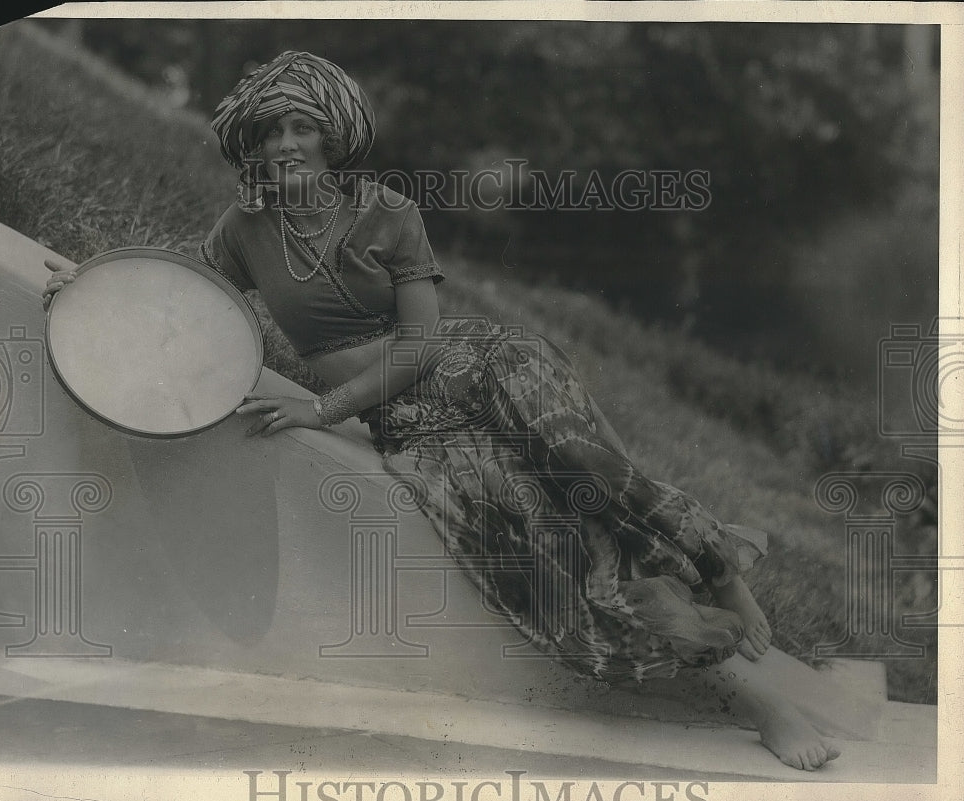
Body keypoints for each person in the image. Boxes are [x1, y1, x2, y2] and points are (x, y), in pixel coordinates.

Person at [43, 50, 840, 772]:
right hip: (414, 426)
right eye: (269, 130)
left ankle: (722, 573)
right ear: (251, 144)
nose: (285, 144)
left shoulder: (388, 210)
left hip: (480, 366)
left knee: (584, 469)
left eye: (301, 128)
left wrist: (327, 407)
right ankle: (735, 667)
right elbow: (185, 291)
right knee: (542, 548)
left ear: (333, 137)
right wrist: (86, 281)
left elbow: (423, 343)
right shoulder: (245, 229)